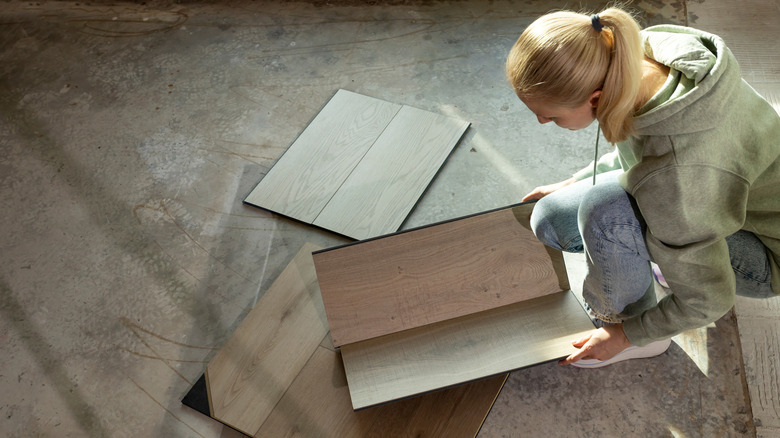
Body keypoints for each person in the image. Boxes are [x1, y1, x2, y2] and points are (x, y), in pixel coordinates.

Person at [505, 7, 780, 368]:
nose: (542, 122)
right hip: (718, 199)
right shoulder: (634, 53)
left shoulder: (679, 173)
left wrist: (625, 334)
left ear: (596, 98)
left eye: (551, 115)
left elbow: (710, 300)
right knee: (553, 218)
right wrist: (577, 179)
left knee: (607, 215)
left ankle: (637, 331)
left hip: (767, 251)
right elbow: (645, 151)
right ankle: (670, 254)